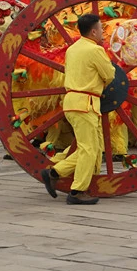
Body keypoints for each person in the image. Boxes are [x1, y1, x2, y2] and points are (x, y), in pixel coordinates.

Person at [41, 14, 115, 205]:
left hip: (73, 102)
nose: (103, 32)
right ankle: (77, 191)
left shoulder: (72, 49)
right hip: (86, 104)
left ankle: (56, 172)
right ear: (93, 31)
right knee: (89, 149)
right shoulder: (95, 51)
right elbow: (109, 74)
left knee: (91, 148)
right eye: (101, 28)